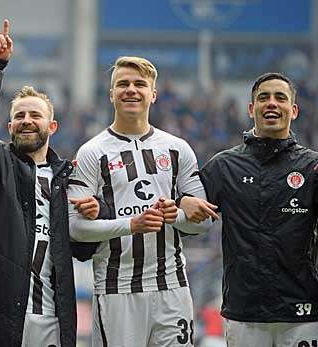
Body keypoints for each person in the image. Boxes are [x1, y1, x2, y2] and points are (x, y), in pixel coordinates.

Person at [0, 20, 100, 347]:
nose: (26, 121)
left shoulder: (68, 179)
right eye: (19, 116)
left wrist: (96, 212)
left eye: (34, 115)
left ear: (52, 125)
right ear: (8, 126)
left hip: (50, 315)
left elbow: (83, 249)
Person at [67, 56, 215, 347]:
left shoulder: (178, 149)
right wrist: (131, 225)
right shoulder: (90, 152)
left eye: (139, 84)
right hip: (116, 288)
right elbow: (74, 228)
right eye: (122, 84)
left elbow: (205, 223)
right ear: (111, 94)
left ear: (153, 94)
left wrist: (177, 216)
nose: (131, 90)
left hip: (172, 286)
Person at [182, 72, 318, 346]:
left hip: (303, 312)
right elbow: (186, 213)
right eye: (263, 98)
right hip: (244, 313)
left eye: (280, 98)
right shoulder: (224, 166)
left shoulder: (312, 168)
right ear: (251, 108)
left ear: (293, 110)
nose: (271, 103)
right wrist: (183, 201)